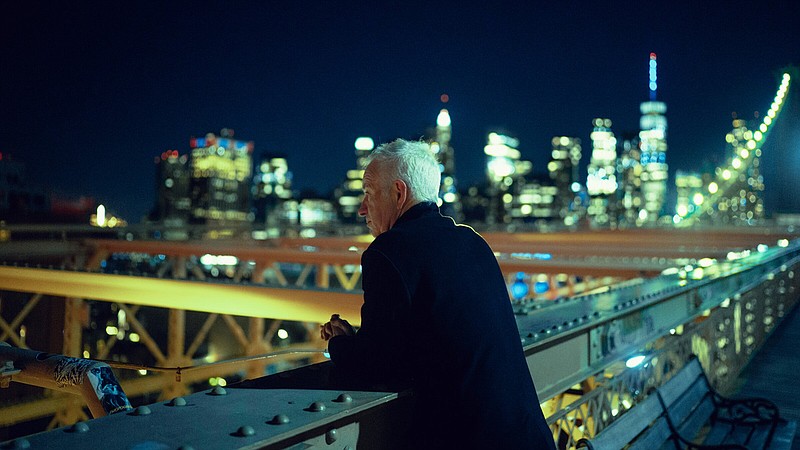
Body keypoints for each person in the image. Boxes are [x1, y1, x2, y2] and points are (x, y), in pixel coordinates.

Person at [321, 139, 555, 449]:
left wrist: (339, 343)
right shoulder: (474, 243)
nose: (362, 209)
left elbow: (376, 365)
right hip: (529, 437)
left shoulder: (388, 252)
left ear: (399, 192)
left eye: (368, 194)